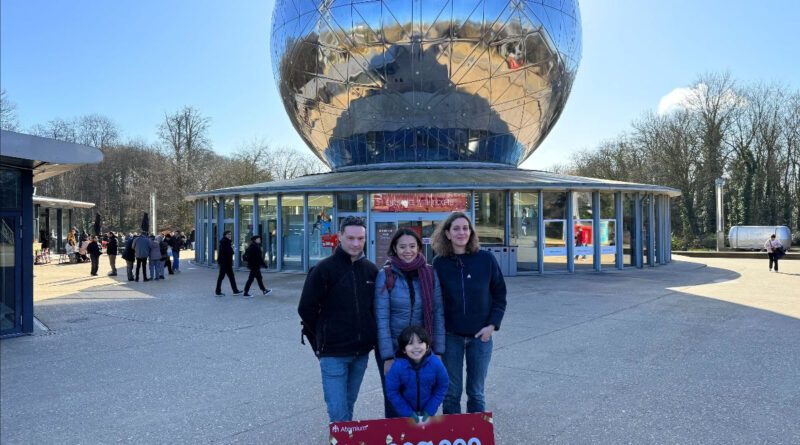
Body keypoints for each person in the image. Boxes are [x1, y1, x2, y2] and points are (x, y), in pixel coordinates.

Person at [298, 216, 378, 423]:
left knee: (348, 405)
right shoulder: (323, 270)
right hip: (333, 353)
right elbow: (306, 308)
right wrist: (324, 335)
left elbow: (374, 309)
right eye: (350, 238)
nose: (355, 243)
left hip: (360, 353)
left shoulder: (371, 270)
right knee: (338, 412)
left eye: (360, 238)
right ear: (339, 237)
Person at [431, 211, 507, 415]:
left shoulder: (486, 259)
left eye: (465, 228)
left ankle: (477, 437)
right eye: (456, 228)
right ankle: (453, 436)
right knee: (451, 393)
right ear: (447, 233)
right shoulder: (439, 263)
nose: (461, 232)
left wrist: (491, 326)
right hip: (451, 338)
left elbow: (500, 294)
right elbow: (435, 302)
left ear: (471, 232)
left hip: (480, 337)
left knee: (476, 392)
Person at [374, 228, 445, 418]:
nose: (408, 251)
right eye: (402, 246)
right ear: (395, 249)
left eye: (412, 246)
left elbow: (437, 313)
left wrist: (437, 351)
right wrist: (388, 356)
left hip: (421, 350)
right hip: (395, 351)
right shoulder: (386, 275)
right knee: (394, 398)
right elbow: (381, 318)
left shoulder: (430, 273)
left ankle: (418, 435)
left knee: (422, 395)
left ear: (419, 248)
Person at [385, 325, 449, 421]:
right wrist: (407, 413)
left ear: (427, 346)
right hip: (404, 415)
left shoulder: (436, 364)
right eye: (410, 343)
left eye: (420, 342)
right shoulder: (397, 367)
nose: (416, 347)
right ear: (403, 349)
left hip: (428, 413)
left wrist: (430, 409)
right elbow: (392, 392)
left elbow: (442, 386)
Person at [215, 231, 242, 296]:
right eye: (228, 234)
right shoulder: (225, 242)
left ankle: (235, 291)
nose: (230, 235)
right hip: (225, 263)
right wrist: (232, 251)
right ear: (225, 235)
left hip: (226, 262)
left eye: (230, 234)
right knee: (222, 277)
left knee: (229, 277)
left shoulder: (226, 242)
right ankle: (218, 291)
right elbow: (226, 251)